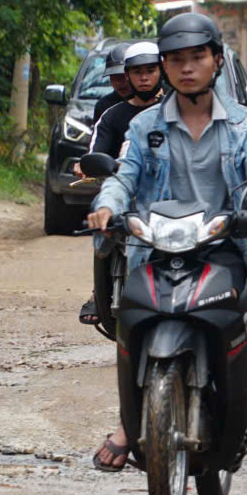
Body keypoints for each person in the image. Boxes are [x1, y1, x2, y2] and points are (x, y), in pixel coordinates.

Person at [85, 12, 247, 469]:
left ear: (216, 59)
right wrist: (107, 206)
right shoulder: (143, 127)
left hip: (223, 241)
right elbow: (125, 176)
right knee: (132, 321)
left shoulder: (242, 122)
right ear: (164, 66)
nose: (186, 68)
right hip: (157, 243)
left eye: (197, 56)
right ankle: (128, 422)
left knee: (238, 322)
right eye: (175, 60)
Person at [77, 40, 165, 330]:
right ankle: (100, 292)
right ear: (127, 75)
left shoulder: (178, 111)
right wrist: (91, 165)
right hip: (124, 192)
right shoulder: (111, 115)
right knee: (105, 224)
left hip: (168, 196)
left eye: (150, 70)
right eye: (136, 72)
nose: (143, 78)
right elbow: (97, 153)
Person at [90, 42, 131, 127]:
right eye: (114, 77)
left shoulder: (151, 102)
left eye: (123, 76)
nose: (119, 83)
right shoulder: (103, 106)